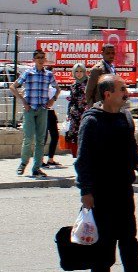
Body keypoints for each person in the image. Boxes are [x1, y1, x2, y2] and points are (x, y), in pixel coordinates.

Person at [75, 74, 138, 272]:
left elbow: (130, 148)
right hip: (101, 193)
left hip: (123, 189)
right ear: (107, 94)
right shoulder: (91, 121)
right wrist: (86, 191)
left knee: (129, 239)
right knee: (104, 242)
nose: (127, 92)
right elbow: (83, 160)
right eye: (122, 89)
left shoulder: (124, 118)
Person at [10, 49, 60, 177]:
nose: (41, 59)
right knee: (28, 138)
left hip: (43, 109)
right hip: (30, 109)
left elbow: (57, 89)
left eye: (43, 57)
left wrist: (52, 100)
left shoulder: (48, 74)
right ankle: (23, 163)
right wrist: (23, 101)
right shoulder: (28, 73)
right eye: (38, 57)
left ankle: (37, 167)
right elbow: (13, 87)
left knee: (40, 139)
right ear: (34, 59)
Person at [65, 62, 89, 158]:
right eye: (76, 71)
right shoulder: (73, 85)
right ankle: (77, 156)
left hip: (86, 113)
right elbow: (72, 100)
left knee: (85, 134)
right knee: (75, 135)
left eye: (81, 71)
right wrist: (68, 114)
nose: (79, 73)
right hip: (75, 115)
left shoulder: (88, 83)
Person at [43, 82, 61, 168]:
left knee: (55, 136)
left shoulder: (53, 86)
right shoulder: (43, 84)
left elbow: (58, 92)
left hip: (51, 111)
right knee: (44, 136)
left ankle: (50, 159)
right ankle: (40, 160)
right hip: (44, 111)